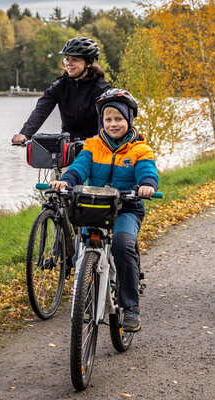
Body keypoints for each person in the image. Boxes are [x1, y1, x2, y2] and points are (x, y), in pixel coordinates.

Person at [49, 88, 158, 332]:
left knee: (122, 244)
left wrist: (147, 186)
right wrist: (66, 180)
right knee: (81, 254)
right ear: (102, 121)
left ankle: (130, 307)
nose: (113, 124)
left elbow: (147, 172)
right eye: (108, 119)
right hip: (96, 207)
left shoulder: (140, 149)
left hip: (127, 208)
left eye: (118, 118)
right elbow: (80, 167)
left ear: (129, 120)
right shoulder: (93, 145)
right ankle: (89, 291)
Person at [11, 37, 110, 145]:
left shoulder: (101, 88)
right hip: (67, 146)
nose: (69, 63)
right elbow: (41, 110)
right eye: (67, 59)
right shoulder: (59, 86)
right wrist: (25, 133)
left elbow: (106, 117)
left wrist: (101, 135)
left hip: (95, 145)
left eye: (74, 59)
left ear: (88, 63)